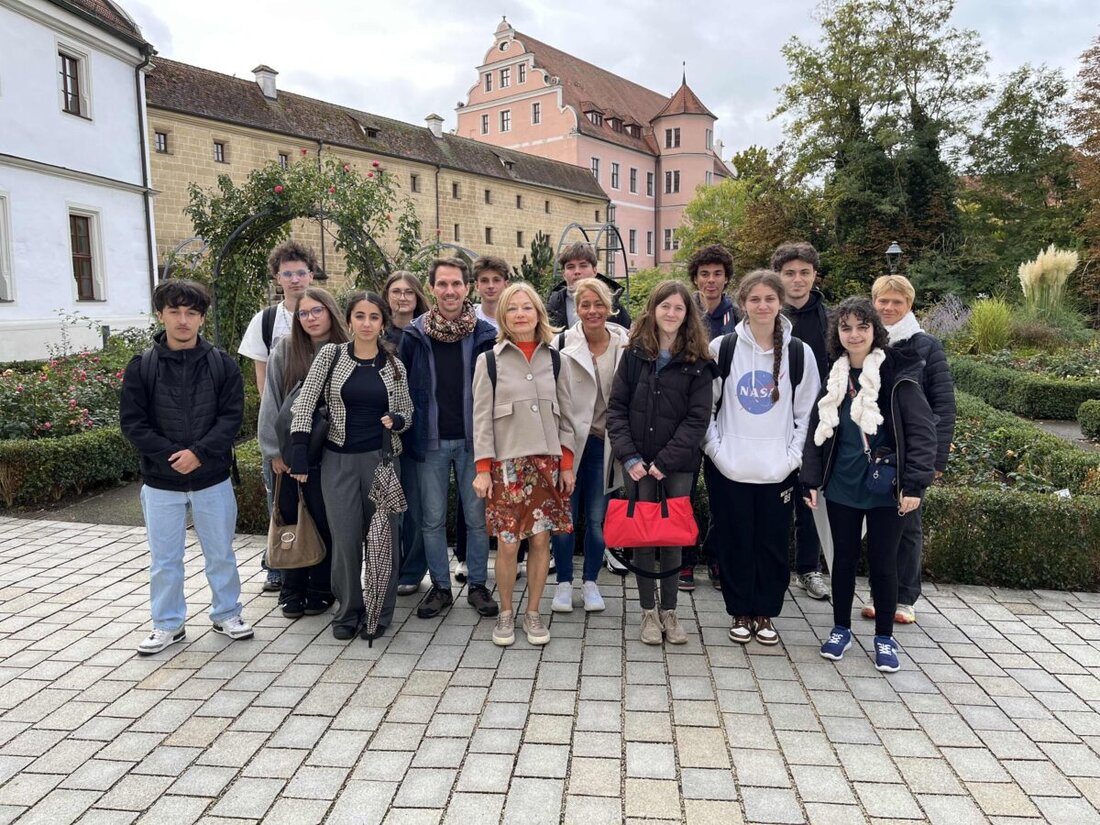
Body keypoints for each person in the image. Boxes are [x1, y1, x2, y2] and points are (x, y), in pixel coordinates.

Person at [801, 297, 937, 672]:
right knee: (842, 560)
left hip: (886, 488)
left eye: (862, 326)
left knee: (884, 563)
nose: (855, 334)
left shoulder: (898, 373)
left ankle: (884, 637)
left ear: (875, 330)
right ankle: (840, 629)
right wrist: (810, 478)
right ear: (837, 334)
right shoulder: (835, 376)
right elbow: (816, 432)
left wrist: (915, 485)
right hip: (842, 484)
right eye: (846, 327)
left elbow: (922, 433)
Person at [121, 279, 253, 655]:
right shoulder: (142, 367)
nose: (183, 320)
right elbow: (133, 423)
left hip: (212, 478)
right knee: (165, 560)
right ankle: (167, 624)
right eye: (174, 311)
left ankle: (227, 614)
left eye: (191, 313)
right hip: (161, 483)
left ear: (201, 318)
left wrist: (199, 453)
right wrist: (171, 456)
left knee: (221, 553)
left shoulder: (221, 365)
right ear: (160, 315)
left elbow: (231, 418)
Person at [703, 271, 821, 648]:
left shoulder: (799, 353)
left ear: (780, 303)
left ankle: (765, 612)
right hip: (729, 469)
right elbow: (704, 409)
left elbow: (806, 415)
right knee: (735, 543)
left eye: (770, 298)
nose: (762, 305)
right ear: (743, 304)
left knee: (772, 545)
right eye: (754, 299)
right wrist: (718, 453)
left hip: (778, 471)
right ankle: (740, 611)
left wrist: (790, 459)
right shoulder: (722, 348)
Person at [287, 292, 413, 640]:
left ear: (383, 323)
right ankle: (348, 611)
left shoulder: (394, 365)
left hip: (382, 461)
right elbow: (305, 403)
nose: (367, 323)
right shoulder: (331, 355)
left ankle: (379, 613)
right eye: (360, 316)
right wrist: (299, 451)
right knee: (344, 541)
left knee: (383, 540)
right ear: (349, 320)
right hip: (338, 461)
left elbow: (408, 411)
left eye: (374, 317)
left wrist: (398, 420)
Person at [607, 281, 716, 645]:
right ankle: (647, 612)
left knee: (671, 537)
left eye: (678, 308)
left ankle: (670, 610)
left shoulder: (699, 361)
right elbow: (617, 409)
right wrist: (629, 456)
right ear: (653, 310)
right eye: (665, 306)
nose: (671, 313)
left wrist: (665, 461)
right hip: (636, 462)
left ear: (688, 315)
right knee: (642, 536)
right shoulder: (634, 354)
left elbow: (698, 419)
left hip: (677, 464)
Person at [473, 282, 576, 646]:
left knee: (541, 540)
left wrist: (567, 464)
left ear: (538, 313)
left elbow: (567, 417)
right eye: (512, 308)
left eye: (527, 307)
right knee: (507, 543)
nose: (520, 314)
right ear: (503, 316)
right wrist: (482, 469)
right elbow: (481, 419)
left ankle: (533, 612)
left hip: (547, 464)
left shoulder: (557, 359)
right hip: (506, 466)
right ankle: (505, 613)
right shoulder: (489, 361)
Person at [399, 257, 499, 620]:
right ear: (432, 288)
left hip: (475, 442)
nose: (450, 290)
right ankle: (440, 587)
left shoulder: (485, 334)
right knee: (432, 519)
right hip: (431, 442)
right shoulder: (414, 335)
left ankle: (477, 585)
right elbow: (403, 386)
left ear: (467, 287)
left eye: (456, 283)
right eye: (442, 284)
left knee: (476, 519)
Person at [257, 287, 349, 618]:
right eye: (303, 313)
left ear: (330, 312)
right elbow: (271, 402)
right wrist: (274, 452)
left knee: (325, 521)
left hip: (331, 454)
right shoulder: (286, 349)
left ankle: (322, 588)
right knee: (293, 520)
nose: (310, 318)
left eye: (316, 311)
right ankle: (291, 588)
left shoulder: (347, 350)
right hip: (290, 454)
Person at [871, 274, 956, 624]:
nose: (889, 307)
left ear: (909, 305)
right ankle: (880, 595)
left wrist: (935, 460)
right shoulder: (866, 340)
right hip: (874, 448)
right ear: (874, 302)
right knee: (877, 524)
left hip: (910, 451)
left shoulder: (926, 346)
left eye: (897, 302)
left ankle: (904, 598)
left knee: (907, 524)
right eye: (883, 301)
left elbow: (943, 405)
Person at [238, 241, 318, 594]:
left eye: (300, 272)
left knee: (315, 501)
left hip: (318, 428)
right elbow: (263, 382)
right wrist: (274, 439)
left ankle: (314, 562)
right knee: (280, 500)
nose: (295, 279)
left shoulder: (321, 312)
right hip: (281, 426)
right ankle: (277, 564)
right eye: (288, 273)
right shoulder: (267, 319)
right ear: (277, 278)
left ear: (311, 275)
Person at [550, 278, 629, 614]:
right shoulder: (561, 342)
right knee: (564, 517)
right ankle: (564, 583)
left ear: (609, 307)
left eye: (599, 304)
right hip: (569, 443)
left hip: (604, 444)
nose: (592, 311)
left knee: (597, 519)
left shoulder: (626, 344)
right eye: (585, 305)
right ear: (577, 308)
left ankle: (591, 581)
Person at [773, 241, 833, 602]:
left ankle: (809, 569)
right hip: (772, 423)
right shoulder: (766, 313)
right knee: (773, 500)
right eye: (790, 273)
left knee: (809, 498)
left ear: (814, 276)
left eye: (804, 273)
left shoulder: (830, 319)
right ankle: (774, 565)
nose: (797, 279)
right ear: (779, 276)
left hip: (817, 424)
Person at [683, 243, 739, 591]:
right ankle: (685, 559)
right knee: (684, 492)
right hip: (688, 416)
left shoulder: (739, 317)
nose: (711, 280)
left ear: (726, 278)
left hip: (726, 417)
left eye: (718, 274)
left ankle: (717, 556)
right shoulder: (683, 310)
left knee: (723, 495)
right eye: (704, 274)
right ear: (695, 278)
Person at [546, 242, 631, 330]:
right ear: (564, 274)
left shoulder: (614, 307)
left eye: (583, 266)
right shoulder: (553, 306)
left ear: (594, 271)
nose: (577, 271)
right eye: (570, 267)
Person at [384, 270, 430, 351]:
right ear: (387, 296)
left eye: (409, 292)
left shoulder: (430, 333)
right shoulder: (376, 335)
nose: (402, 298)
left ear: (417, 296)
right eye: (396, 292)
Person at [473, 255, 509, 327]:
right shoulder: (468, 319)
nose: (491, 286)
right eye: (484, 280)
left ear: (506, 285)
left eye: (496, 280)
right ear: (477, 286)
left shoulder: (516, 319)